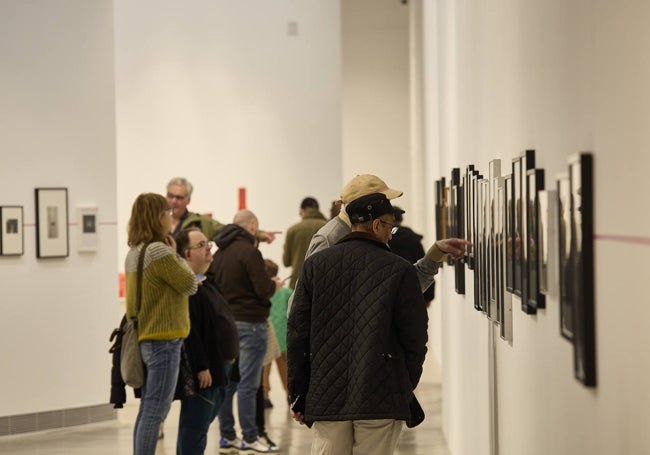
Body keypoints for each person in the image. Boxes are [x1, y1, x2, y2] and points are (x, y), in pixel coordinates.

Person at [288, 193, 464, 454]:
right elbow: (415, 338)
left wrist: (299, 393)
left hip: (326, 394)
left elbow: (297, 332)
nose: (392, 234)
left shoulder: (316, 265)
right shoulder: (399, 269)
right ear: (376, 225)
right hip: (381, 394)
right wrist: (404, 384)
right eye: (390, 226)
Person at [287, 174, 470, 313]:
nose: (388, 206)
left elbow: (397, 285)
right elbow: (298, 306)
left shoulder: (371, 234)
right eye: (384, 201)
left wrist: (435, 253)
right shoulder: (330, 238)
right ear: (366, 204)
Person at [124, 193, 198, 455]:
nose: (171, 217)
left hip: (148, 337)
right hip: (164, 340)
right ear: (158, 217)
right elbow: (190, 285)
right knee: (155, 411)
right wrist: (177, 255)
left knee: (148, 408)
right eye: (167, 212)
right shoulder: (158, 251)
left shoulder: (135, 252)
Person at [208, 210, 282, 454]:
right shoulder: (249, 252)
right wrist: (274, 285)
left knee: (228, 384)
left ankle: (227, 436)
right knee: (249, 385)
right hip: (251, 324)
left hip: (226, 326)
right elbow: (262, 288)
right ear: (252, 227)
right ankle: (250, 436)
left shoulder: (219, 253)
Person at [175, 228, 239, 455]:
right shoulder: (189, 288)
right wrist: (202, 366)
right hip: (207, 371)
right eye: (201, 245)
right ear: (187, 254)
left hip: (221, 367)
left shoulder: (207, 282)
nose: (209, 248)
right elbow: (192, 332)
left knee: (200, 428)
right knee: (195, 430)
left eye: (207, 243)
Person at [166, 177, 279, 244]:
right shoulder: (156, 220)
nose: (173, 201)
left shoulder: (201, 222)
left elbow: (230, 231)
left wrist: (259, 234)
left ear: (188, 200)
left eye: (179, 197)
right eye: (170, 196)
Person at [388, 206, 435, 305]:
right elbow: (424, 266)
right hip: (412, 290)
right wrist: (428, 297)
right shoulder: (411, 239)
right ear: (401, 219)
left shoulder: (380, 240)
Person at [261, 259, 292, 408]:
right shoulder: (285, 292)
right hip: (283, 335)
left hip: (267, 335)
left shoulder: (263, 290)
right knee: (285, 368)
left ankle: (265, 395)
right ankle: (289, 393)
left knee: (265, 368)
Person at [282, 197, 327, 289]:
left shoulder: (292, 230)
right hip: (323, 280)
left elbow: (286, 261)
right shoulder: (328, 227)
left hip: (297, 281)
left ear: (302, 211)